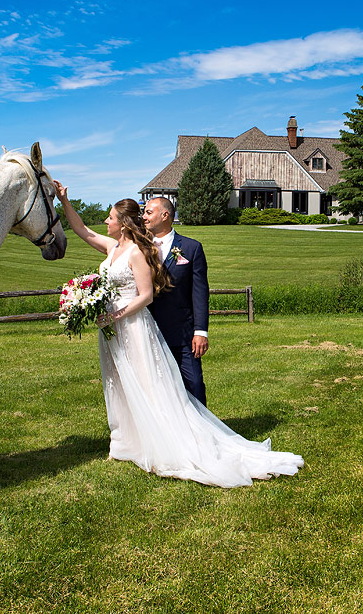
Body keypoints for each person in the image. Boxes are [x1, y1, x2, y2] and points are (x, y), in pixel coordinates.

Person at [53, 184, 303, 487]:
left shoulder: (148, 250)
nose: (105, 222)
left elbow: (156, 294)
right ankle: (125, 442)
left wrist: (199, 329)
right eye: (142, 213)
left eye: (110, 217)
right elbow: (81, 229)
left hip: (141, 326)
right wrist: (64, 200)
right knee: (119, 383)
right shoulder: (115, 247)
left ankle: (187, 436)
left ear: (126, 221)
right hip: (114, 331)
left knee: (160, 385)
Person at [141, 197, 209, 405]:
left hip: (182, 333)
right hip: (146, 330)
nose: (144, 217)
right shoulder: (138, 248)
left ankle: (203, 431)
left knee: (194, 383)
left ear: (165, 215)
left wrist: (200, 331)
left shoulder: (191, 248)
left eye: (149, 212)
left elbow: (199, 293)